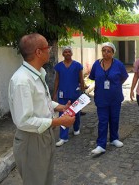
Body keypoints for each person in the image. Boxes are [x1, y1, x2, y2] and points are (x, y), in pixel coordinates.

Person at [8, 33, 75, 185]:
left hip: (44, 135)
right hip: (32, 140)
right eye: (47, 47)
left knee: (45, 179)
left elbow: (43, 101)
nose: (50, 50)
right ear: (38, 52)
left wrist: (62, 107)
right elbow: (24, 121)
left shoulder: (37, 74)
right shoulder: (22, 81)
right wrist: (58, 121)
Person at [89, 42, 129, 155]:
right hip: (101, 97)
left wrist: (116, 85)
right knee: (102, 121)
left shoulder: (118, 64)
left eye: (108, 51)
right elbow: (92, 77)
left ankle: (114, 139)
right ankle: (101, 145)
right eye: (104, 50)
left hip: (115, 97)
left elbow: (124, 77)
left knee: (114, 119)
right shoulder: (96, 64)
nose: (105, 53)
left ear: (113, 53)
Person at [53, 46, 86, 147]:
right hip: (63, 94)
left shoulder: (77, 66)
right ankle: (63, 137)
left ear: (71, 53)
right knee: (63, 115)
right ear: (62, 54)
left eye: (69, 52)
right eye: (65, 52)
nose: (67, 53)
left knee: (75, 112)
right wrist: (54, 93)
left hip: (75, 92)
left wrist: (83, 89)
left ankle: (76, 128)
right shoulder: (59, 66)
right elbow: (57, 80)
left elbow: (81, 78)